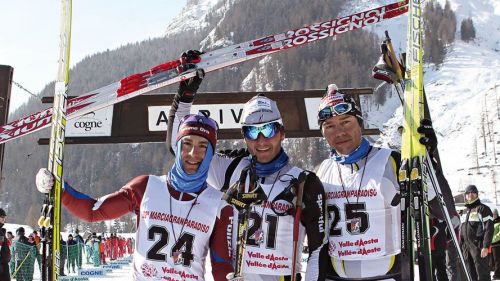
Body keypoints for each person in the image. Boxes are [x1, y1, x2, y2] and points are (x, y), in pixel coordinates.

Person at [35, 71, 234, 281]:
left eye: (203, 146)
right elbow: (93, 212)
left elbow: (221, 264)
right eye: (187, 144)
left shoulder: (218, 204)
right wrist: (58, 188)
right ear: (177, 146)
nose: (194, 154)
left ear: (212, 152)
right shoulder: (146, 186)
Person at [170, 51, 327, 281]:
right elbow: (181, 148)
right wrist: (184, 97)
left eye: (269, 129)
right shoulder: (233, 169)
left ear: (282, 133)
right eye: (252, 131)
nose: (262, 140)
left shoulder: (304, 182)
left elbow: (318, 250)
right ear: (244, 136)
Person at [314, 84, 457, 280]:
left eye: (346, 122)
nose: (339, 132)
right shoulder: (321, 172)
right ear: (322, 132)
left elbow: (443, 210)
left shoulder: (393, 161)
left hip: (388, 275)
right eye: (329, 125)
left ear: (360, 123)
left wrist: (429, 161)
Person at [460, 184, 493, 281]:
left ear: (477, 194)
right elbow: (461, 230)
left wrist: (485, 246)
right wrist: (461, 246)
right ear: (465, 195)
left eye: (473, 192)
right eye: (468, 193)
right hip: (466, 247)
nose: (470, 194)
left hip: (479, 247)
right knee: (470, 274)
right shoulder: (465, 211)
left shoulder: (483, 209)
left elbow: (489, 229)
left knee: (482, 274)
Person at [0, 208, 11, 281]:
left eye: (4, 217)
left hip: (4, 264)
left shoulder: (1, 231)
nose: (4, 219)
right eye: (2, 217)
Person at [492, 209, 500, 279]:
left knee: (497, 260)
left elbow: (499, 234)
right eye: (493, 214)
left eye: (495, 214)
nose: (494, 215)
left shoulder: (499, 222)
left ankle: (497, 275)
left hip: (497, 244)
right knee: (493, 261)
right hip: (491, 245)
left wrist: (492, 239)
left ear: (497, 214)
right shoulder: (491, 222)